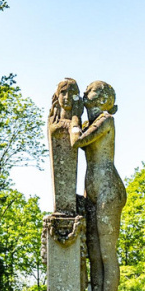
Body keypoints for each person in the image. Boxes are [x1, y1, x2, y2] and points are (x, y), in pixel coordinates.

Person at [70, 81, 126, 291]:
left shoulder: (105, 120)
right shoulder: (89, 122)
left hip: (108, 190)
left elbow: (77, 141)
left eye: (90, 91)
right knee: (94, 255)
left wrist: (73, 119)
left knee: (106, 253)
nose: (84, 95)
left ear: (105, 98)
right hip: (92, 190)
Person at [47, 78, 83, 216]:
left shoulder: (77, 123)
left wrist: (75, 119)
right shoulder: (54, 121)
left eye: (72, 93)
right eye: (63, 93)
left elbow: (76, 137)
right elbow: (58, 130)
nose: (67, 97)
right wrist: (74, 121)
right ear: (57, 96)